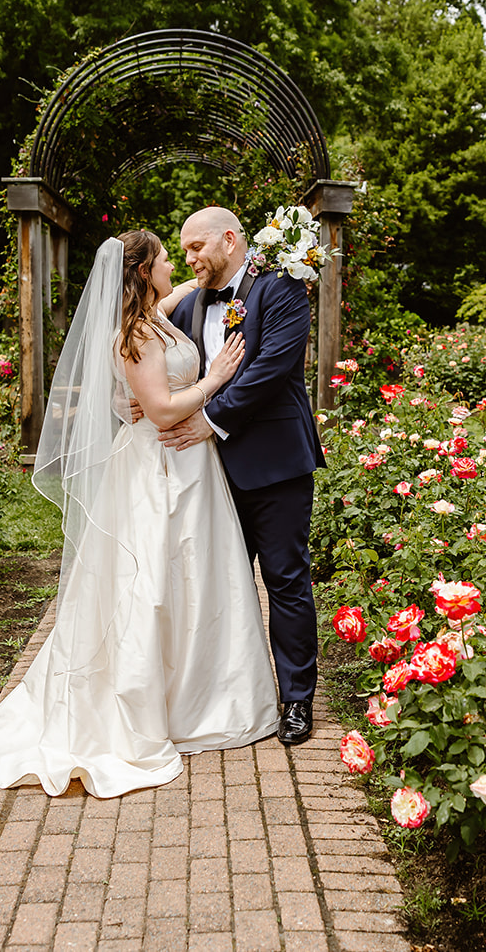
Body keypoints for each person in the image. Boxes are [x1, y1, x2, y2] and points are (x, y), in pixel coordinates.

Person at [0, 230, 280, 797]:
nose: (178, 267)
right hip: (160, 465)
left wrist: (231, 268)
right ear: (145, 271)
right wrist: (214, 380)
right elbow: (163, 410)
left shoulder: (156, 315)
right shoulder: (139, 335)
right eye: (169, 260)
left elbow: (182, 295)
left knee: (193, 581)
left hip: (190, 469)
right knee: (154, 585)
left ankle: (198, 694)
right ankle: (158, 705)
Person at [158, 205, 325, 746]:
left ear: (229, 241)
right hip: (206, 475)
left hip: (274, 467)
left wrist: (208, 420)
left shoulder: (281, 288)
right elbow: (152, 353)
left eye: (196, 248)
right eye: (182, 251)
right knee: (213, 586)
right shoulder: (188, 304)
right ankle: (220, 697)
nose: (190, 259)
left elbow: (272, 369)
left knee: (286, 582)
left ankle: (297, 700)